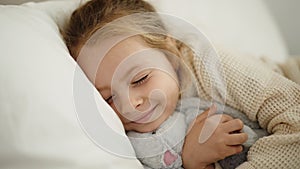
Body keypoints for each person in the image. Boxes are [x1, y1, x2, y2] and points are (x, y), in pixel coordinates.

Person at [62, 0, 300, 169]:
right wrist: (192, 161)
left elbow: (295, 119)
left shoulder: (208, 62)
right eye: (108, 98)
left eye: (140, 79)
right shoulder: (137, 142)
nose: (129, 105)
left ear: (170, 49)